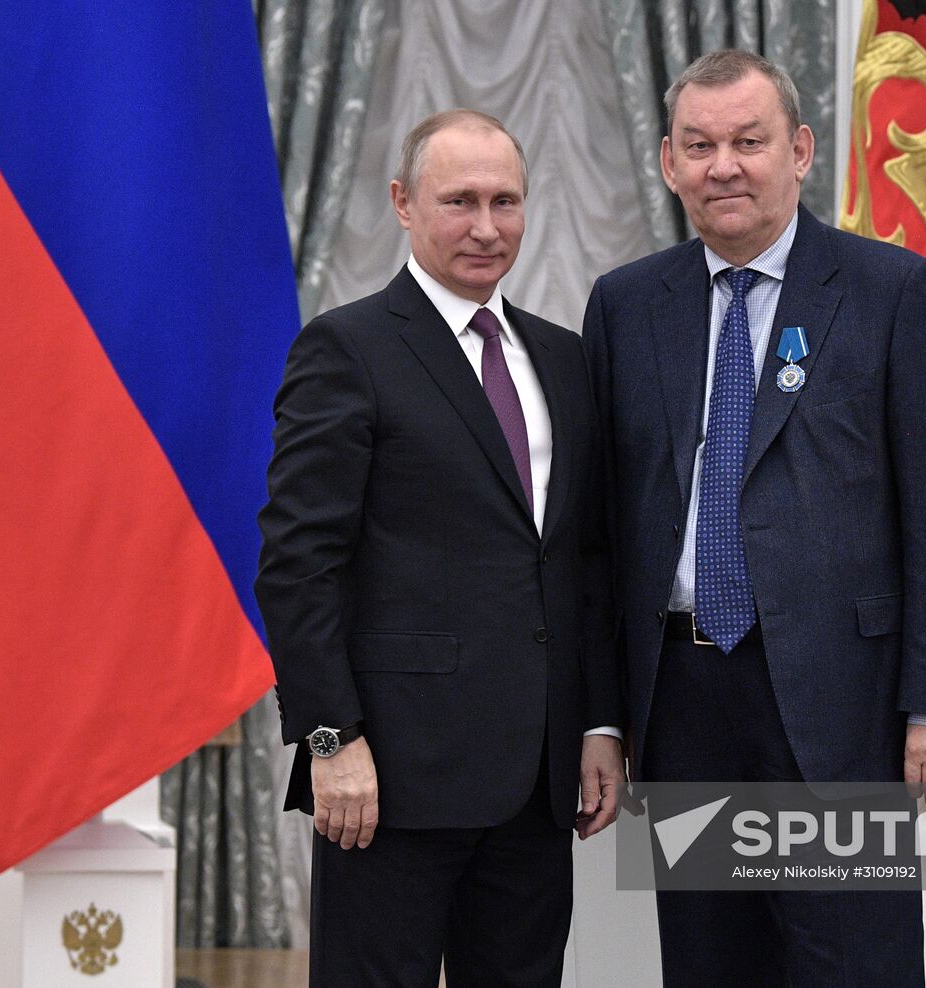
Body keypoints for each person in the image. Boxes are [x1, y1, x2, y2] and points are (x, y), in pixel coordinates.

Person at [582, 50, 926, 986]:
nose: (725, 165)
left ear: (800, 152)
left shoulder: (895, 292)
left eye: (749, 142)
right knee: (709, 962)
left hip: (842, 699)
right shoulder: (627, 304)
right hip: (681, 702)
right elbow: (604, 534)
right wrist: (603, 716)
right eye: (701, 145)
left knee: (851, 960)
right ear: (669, 164)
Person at [256, 109, 625, 987]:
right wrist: (328, 738)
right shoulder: (345, 349)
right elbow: (297, 562)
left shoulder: (566, 360)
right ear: (402, 203)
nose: (486, 227)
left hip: (537, 788)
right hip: (387, 783)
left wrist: (600, 722)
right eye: (459, 201)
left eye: (506, 201)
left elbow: (588, 562)